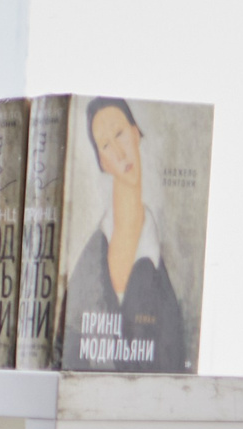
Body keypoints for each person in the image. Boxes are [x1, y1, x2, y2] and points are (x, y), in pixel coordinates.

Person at [61, 97, 188, 371]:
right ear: (102, 162)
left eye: (119, 134)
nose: (119, 153)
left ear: (135, 132)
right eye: (106, 145)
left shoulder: (168, 270)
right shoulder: (89, 262)